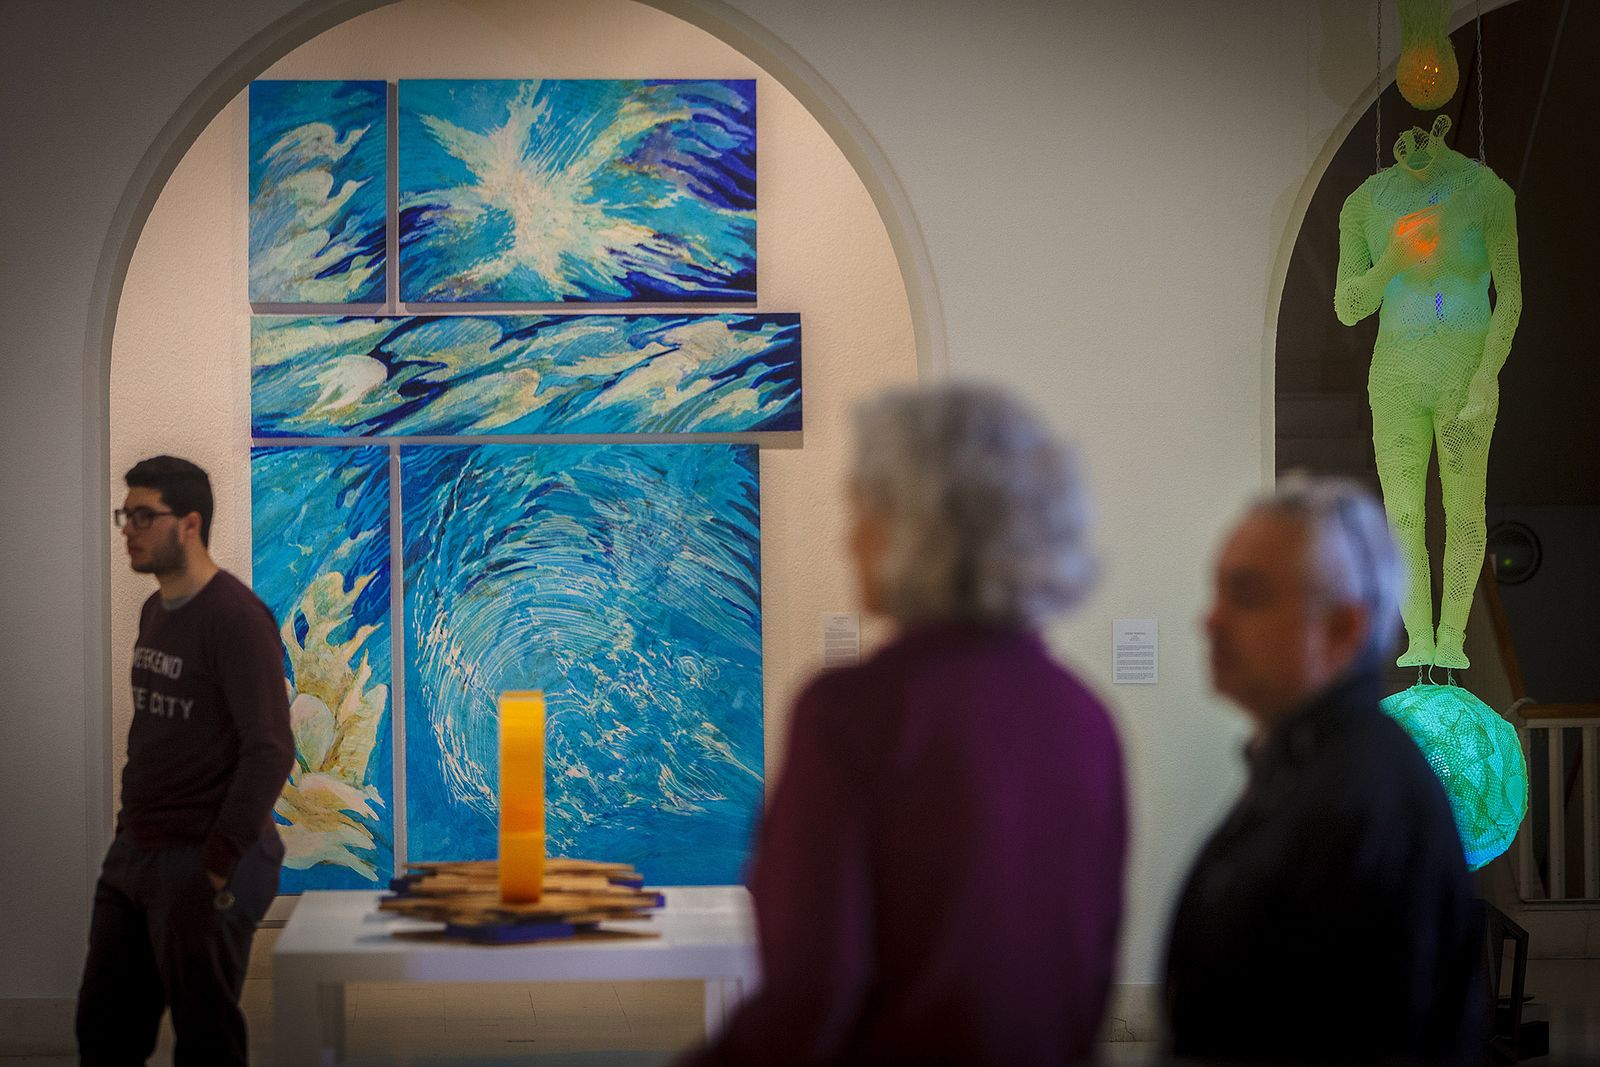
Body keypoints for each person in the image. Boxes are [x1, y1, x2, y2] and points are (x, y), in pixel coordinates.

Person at [679, 385, 1128, 1066]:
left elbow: (809, 995)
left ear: (919, 528)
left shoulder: (854, 713)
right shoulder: (1087, 719)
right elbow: (1088, 974)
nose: (847, 534)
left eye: (865, 506)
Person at [1163, 475, 1485, 1064]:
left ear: (1343, 628)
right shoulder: (1309, 763)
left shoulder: (1363, 796)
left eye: (1247, 594)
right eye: (1216, 591)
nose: (1209, 621)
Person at [78, 456, 294, 1066]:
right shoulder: (155, 611)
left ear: (190, 524)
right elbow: (156, 736)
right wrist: (128, 836)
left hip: (200, 861)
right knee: (102, 1032)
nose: (129, 529)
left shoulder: (236, 620)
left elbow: (271, 747)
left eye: (145, 516)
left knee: (205, 1041)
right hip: (136, 853)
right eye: (126, 515)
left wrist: (219, 863)